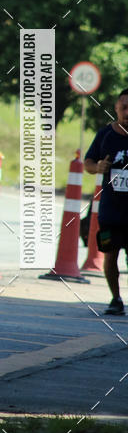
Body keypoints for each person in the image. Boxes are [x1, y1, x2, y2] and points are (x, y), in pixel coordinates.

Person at [84, 88, 128, 316]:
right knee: (109, 256)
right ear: (116, 109)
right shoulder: (105, 135)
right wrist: (98, 167)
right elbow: (88, 162)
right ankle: (116, 299)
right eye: (124, 108)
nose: (127, 113)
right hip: (110, 212)